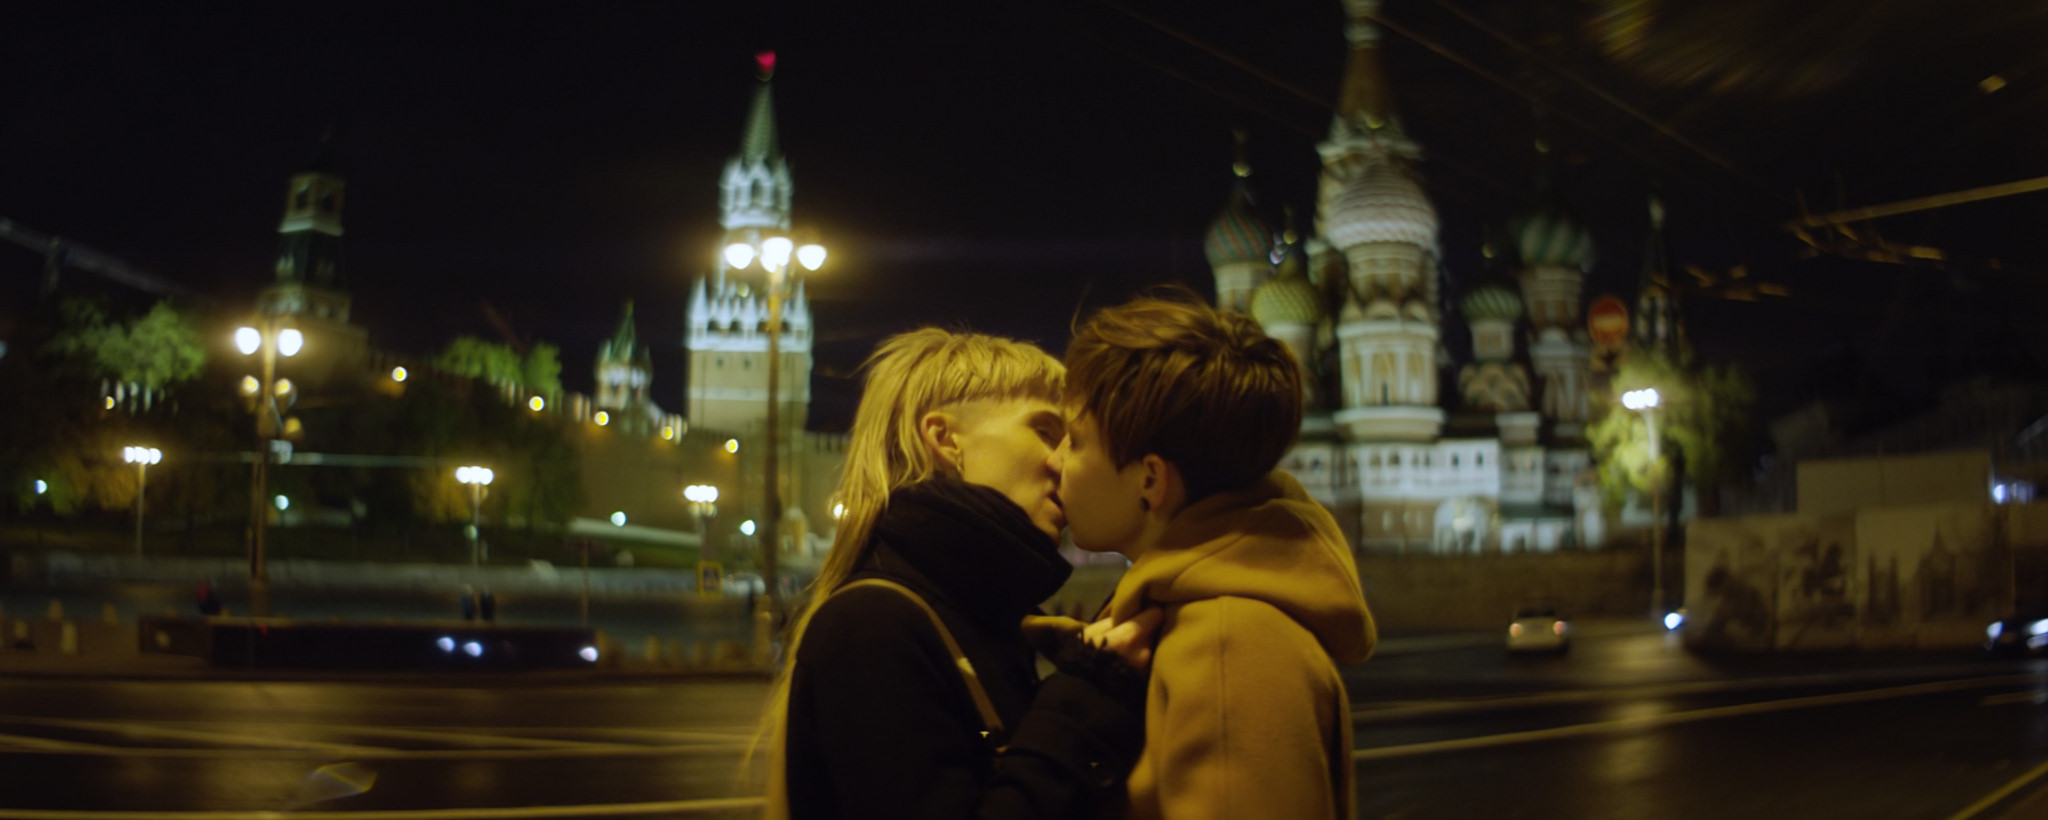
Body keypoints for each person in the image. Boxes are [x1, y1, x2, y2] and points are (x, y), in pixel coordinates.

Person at [760, 328, 1154, 820]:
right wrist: (1084, 698)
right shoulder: (873, 623)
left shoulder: (984, 618)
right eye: (1046, 431)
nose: (1063, 462)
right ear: (945, 440)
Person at [1056, 293, 1377, 820]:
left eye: (1073, 441)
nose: (1056, 461)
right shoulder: (1196, 617)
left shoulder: (1228, 648)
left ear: (1150, 480)